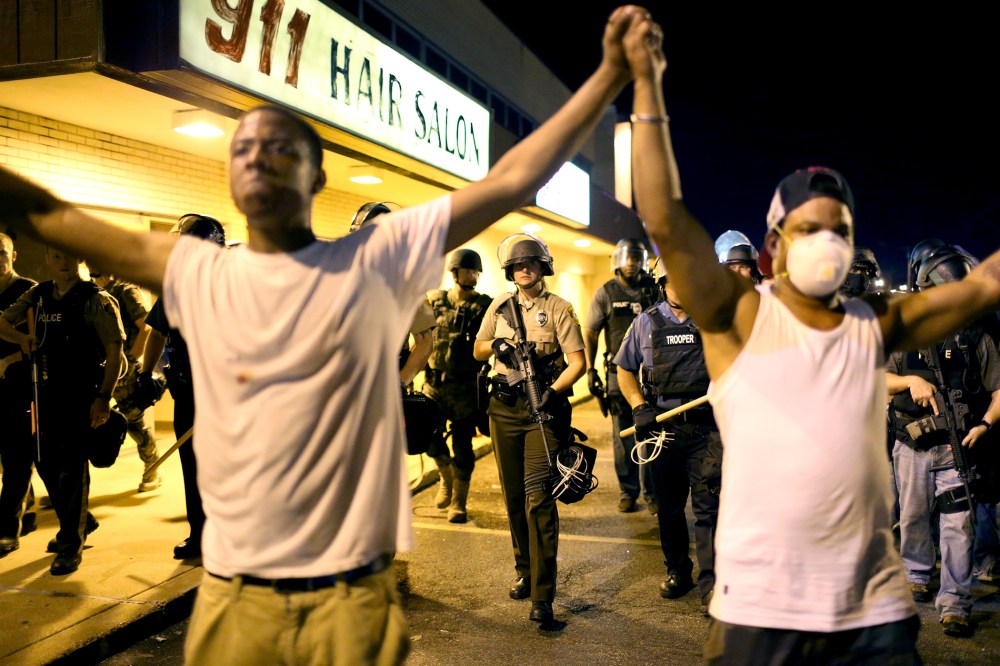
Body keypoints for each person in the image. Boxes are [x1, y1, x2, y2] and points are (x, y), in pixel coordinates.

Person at [0, 6, 646, 660]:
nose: (259, 157)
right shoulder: (200, 270)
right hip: (235, 600)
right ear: (231, 173)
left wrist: (610, 75)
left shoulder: (370, 260)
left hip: (347, 600)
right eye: (244, 147)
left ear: (316, 177)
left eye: (281, 147)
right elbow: (51, 215)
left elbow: (514, 179)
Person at [622, 14, 1000, 663]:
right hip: (758, 614)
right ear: (773, 246)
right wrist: (647, 83)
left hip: (872, 615)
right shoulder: (738, 317)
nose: (824, 242)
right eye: (807, 229)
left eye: (838, 229)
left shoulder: (877, 322)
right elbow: (662, 214)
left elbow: (984, 286)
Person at [887, 240, 1000, 638]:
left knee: (959, 525)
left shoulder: (977, 338)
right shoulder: (904, 333)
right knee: (913, 516)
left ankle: (955, 601)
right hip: (912, 446)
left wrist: (984, 424)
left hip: (958, 448)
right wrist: (909, 380)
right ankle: (916, 576)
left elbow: (999, 390)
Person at [473, 232, 585, 628]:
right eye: (518, 264)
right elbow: (478, 348)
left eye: (531, 263)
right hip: (503, 408)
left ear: (542, 267)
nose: (524, 269)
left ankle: (543, 595)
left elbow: (577, 362)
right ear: (509, 270)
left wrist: (553, 392)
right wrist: (500, 344)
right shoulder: (499, 308)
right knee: (514, 495)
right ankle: (524, 569)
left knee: (539, 499)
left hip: (542, 409)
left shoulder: (559, 309)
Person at [0, 247, 124, 575]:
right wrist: (22, 339)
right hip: (45, 393)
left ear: (80, 259)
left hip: (82, 395)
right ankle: (82, 521)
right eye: (57, 257)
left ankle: (70, 545)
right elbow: (2, 321)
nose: (64, 263)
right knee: (43, 460)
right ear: (47, 261)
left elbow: (115, 349)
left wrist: (103, 397)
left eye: (70, 257)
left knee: (71, 465)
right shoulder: (38, 294)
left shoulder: (95, 299)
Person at [615, 256, 721, 614]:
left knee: (709, 509)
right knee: (670, 508)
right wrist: (638, 406)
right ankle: (678, 571)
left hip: (707, 427)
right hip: (664, 427)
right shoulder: (645, 322)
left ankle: (713, 583)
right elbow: (624, 369)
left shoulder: (712, 320)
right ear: (662, 283)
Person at [140, 213, 226, 561]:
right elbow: (158, 332)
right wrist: (145, 374)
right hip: (188, 393)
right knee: (193, 467)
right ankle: (200, 534)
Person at [583, 237, 658, 514]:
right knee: (623, 437)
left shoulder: (653, 290)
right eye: (628, 257)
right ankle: (629, 492)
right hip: (618, 375)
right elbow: (590, 332)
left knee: (650, 433)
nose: (632, 262)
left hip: (651, 376)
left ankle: (653, 494)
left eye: (637, 258)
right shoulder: (606, 293)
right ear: (618, 260)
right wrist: (590, 370)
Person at [423, 248, 492, 523]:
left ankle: (459, 502)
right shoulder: (434, 301)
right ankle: (445, 474)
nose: (473, 275)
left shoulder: (484, 306)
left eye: (476, 271)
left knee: (463, 445)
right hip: (434, 385)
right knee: (426, 437)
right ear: (455, 273)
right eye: (468, 270)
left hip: (464, 389)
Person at [90, 269, 161, 492]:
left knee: (133, 420)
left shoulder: (124, 290)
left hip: (124, 369)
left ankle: (152, 466)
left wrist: (129, 361)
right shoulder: (93, 291)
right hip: (99, 365)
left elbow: (146, 327)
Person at [0, 232, 37, 556]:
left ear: (14, 255)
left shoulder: (27, 290)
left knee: (15, 458)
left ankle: (7, 529)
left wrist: (13, 356)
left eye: (1, 253)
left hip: (18, 386)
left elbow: (38, 340)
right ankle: (31, 508)